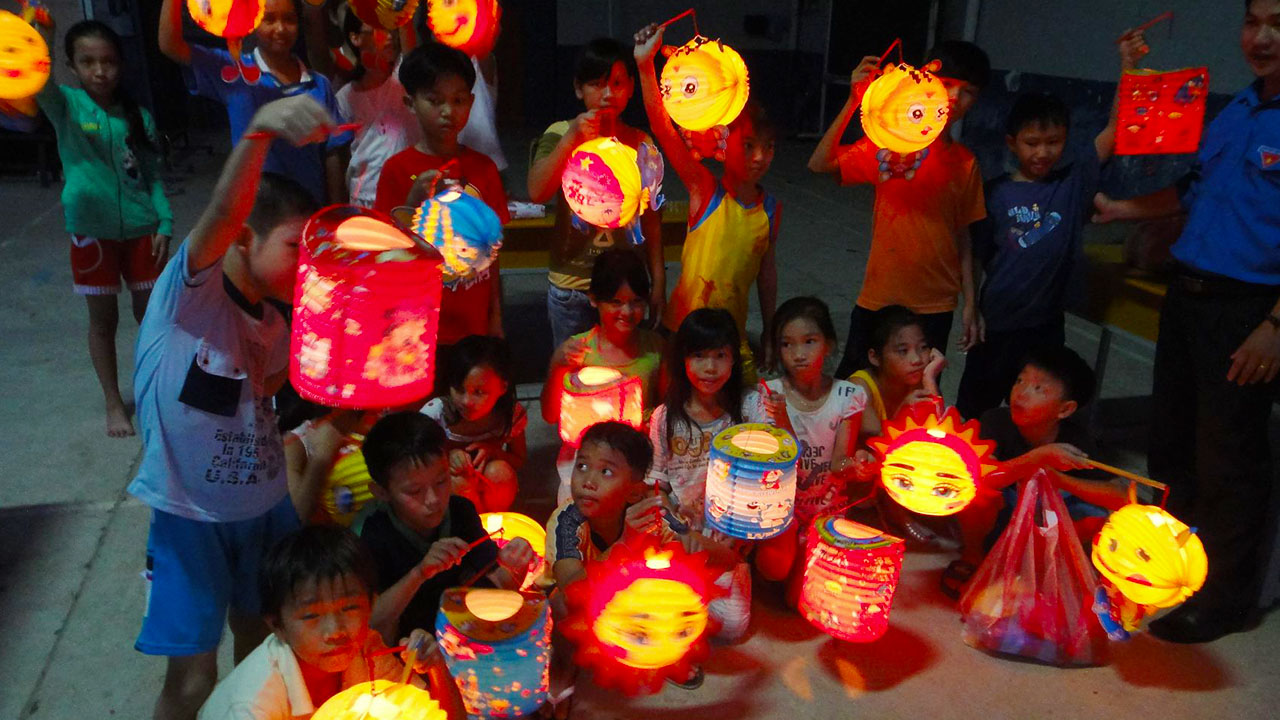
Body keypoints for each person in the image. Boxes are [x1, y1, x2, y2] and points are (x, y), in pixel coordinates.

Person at [127, 96, 333, 720]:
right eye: (296, 247)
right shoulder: (191, 292)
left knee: (260, 653)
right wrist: (262, 131)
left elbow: (270, 396)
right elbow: (222, 209)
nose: (306, 265)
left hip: (263, 506)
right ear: (244, 239)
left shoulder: (274, 319)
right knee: (192, 677)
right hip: (191, 515)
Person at [1090, 0, 1280, 643]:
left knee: (1229, 456)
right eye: (1253, 22)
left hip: (1247, 309)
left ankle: (1225, 599)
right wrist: (1120, 209)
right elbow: (1192, 192)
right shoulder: (1240, 108)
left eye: (1277, 23)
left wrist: (1275, 326)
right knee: (1172, 441)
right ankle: (1175, 567)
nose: (1262, 37)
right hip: (1189, 294)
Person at [956, 31, 1147, 418]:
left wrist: (1129, 65)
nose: (1043, 152)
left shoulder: (1072, 185)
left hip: (1044, 326)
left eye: (1053, 141)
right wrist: (971, 308)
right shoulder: (994, 193)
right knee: (975, 412)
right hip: (996, 325)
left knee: (1036, 412)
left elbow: (1115, 127)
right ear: (1012, 143)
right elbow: (973, 255)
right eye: (1031, 143)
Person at [808, 40, 991, 378]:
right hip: (881, 296)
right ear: (925, 80)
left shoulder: (965, 164)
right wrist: (853, 101)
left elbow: (964, 236)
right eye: (947, 84)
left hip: (936, 303)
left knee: (917, 390)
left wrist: (970, 303)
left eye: (968, 92)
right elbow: (820, 164)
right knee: (854, 387)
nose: (953, 98)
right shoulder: (888, 146)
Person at [34, 19, 173, 437]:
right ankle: (114, 402)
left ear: (121, 64)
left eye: (109, 61)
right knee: (103, 321)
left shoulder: (138, 116)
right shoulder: (66, 107)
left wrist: (164, 221)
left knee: (152, 318)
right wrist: (43, 33)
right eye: (88, 61)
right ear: (72, 66)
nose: (100, 71)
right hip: (91, 233)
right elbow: (38, 82)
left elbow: (152, 177)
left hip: (142, 228)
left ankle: (153, 394)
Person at [545, 422, 739, 711]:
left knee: (682, 585)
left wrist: (686, 537)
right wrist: (623, 543)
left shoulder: (650, 514)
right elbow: (571, 586)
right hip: (588, 601)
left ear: (635, 492)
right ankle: (561, 673)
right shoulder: (566, 521)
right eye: (582, 466)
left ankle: (663, 655)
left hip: (635, 606)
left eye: (606, 471)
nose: (587, 481)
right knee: (558, 605)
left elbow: (728, 560)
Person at [633, 23, 780, 383]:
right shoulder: (705, 190)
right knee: (675, 412)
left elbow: (766, 273)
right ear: (721, 142)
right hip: (682, 332)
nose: (759, 156)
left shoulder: (771, 209)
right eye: (748, 145)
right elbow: (664, 129)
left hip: (730, 339)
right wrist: (644, 66)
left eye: (768, 146)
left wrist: (771, 332)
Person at [197, 525, 467, 719]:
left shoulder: (366, 650)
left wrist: (436, 668)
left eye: (349, 608)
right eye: (311, 616)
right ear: (276, 625)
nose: (335, 631)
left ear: (371, 605)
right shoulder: (252, 707)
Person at [947, 346, 1127, 599]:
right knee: (976, 493)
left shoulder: (1078, 439)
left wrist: (1057, 478)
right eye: (1020, 381)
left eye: (1038, 388)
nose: (1021, 393)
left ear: (1064, 410)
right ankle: (973, 555)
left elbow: (1120, 496)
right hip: (1000, 518)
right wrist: (1038, 458)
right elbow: (982, 477)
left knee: (1094, 516)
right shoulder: (996, 421)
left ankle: (1040, 571)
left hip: (1043, 524)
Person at [527, 38, 665, 348]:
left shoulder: (640, 143)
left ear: (631, 87)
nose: (606, 94)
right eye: (596, 84)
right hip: (572, 285)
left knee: (623, 364)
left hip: (625, 290)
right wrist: (572, 138)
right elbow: (537, 191)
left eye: (616, 83)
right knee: (573, 366)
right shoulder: (561, 132)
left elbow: (652, 219)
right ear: (579, 88)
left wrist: (658, 283)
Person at [374, 42, 510, 344]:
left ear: (471, 102)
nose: (448, 111)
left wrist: (496, 317)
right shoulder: (397, 170)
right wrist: (412, 203)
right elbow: (386, 251)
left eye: (458, 100)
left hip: (473, 321)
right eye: (435, 101)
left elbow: (494, 252)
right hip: (417, 323)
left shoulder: (483, 169)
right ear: (411, 103)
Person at [357, 412, 534, 644]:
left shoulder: (460, 512)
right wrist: (419, 573)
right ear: (381, 492)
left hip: (467, 634)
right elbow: (372, 624)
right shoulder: (375, 536)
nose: (433, 499)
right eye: (414, 491)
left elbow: (496, 586)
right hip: (414, 648)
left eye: (441, 482)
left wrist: (514, 566)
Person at [159, 0, 352, 204]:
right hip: (255, 217)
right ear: (253, 23)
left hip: (309, 210)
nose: (280, 28)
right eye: (268, 19)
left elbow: (333, 152)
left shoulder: (318, 85)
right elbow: (170, 44)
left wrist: (335, 212)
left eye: (289, 19)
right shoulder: (234, 73)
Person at [645, 309, 761, 642]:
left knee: (732, 626)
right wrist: (674, 523)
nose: (710, 368)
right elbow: (658, 485)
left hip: (731, 531)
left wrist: (741, 532)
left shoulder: (750, 408)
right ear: (683, 359)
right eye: (699, 356)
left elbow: (767, 477)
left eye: (720, 356)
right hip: (682, 533)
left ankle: (717, 576)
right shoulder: (666, 418)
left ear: (734, 360)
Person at [542, 248, 666, 431]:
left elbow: (669, 411)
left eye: (636, 301)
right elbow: (550, 415)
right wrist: (558, 366)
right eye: (616, 302)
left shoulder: (656, 349)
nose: (627, 312)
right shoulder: (576, 352)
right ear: (593, 299)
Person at [420, 335, 527, 513]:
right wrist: (446, 458)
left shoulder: (510, 415)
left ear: (502, 387)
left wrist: (495, 452)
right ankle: (469, 527)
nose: (466, 401)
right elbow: (419, 466)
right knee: (459, 483)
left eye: (479, 392)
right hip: (451, 486)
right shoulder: (435, 415)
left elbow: (518, 459)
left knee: (500, 472)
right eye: (459, 390)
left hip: (491, 480)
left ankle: (496, 520)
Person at [335, 14, 421, 207]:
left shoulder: (402, 80)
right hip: (364, 197)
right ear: (355, 38)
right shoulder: (345, 97)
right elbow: (340, 156)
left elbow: (411, 57)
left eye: (391, 29)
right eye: (377, 30)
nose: (389, 36)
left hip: (408, 193)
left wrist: (403, 13)